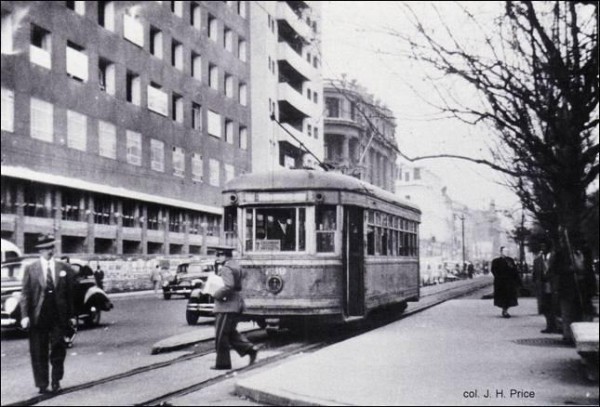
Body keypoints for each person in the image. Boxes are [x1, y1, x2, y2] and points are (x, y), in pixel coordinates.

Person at [20, 234, 75, 394]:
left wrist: (71, 315)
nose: (49, 251)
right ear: (40, 251)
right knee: (38, 350)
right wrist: (24, 315)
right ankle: (42, 384)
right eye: (45, 248)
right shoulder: (31, 269)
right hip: (38, 315)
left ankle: (56, 379)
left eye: (51, 247)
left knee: (58, 347)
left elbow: (69, 294)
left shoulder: (63, 268)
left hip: (58, 315)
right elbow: (25, 294)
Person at [212, 249, 259, 370]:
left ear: (225, 256)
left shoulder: (226, 268)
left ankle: (223, 364)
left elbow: (229, 286)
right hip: (235, 304)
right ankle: (250, 349)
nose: (218, 257)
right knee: (230, 333)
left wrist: (216, 293)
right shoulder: (236, 265)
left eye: (220, 254)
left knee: (221, 335)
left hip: (226, 306)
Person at [533, 243, 560, 333]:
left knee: (555, 307)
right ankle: (549, 326)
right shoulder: (537, 260)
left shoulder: (555, 258)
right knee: (545, 307)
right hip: (543, 287)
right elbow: (535, 275)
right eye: (541, 247)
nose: (542, 249)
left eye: (544, 246)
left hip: (554, 286)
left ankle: (556, 326)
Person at [491, 246, 520, 318]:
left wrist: (516, 280)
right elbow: (494, 271)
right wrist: (499, 278)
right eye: (504, 251)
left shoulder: (510, 260)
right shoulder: (496, 261)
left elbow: (514, 271)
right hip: (501, 283)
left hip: (509, 283)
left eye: (507, 251)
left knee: (509, 297)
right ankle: (505, 310)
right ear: (500, 252)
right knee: (502, 297)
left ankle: (505, 310)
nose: (506, 252)